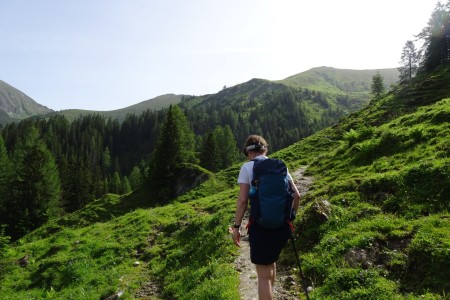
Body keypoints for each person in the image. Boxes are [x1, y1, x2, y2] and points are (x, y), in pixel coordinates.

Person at [231, 134, 300, 300]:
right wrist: (290, 218)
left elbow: (242, 201)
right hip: (282, 225)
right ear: (264, 149)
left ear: (248, 152)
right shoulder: (279, 166)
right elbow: (297, 196)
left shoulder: (247, 168)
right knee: (271, 264)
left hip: (260, 226)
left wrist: (236, 227)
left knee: (263, 276)